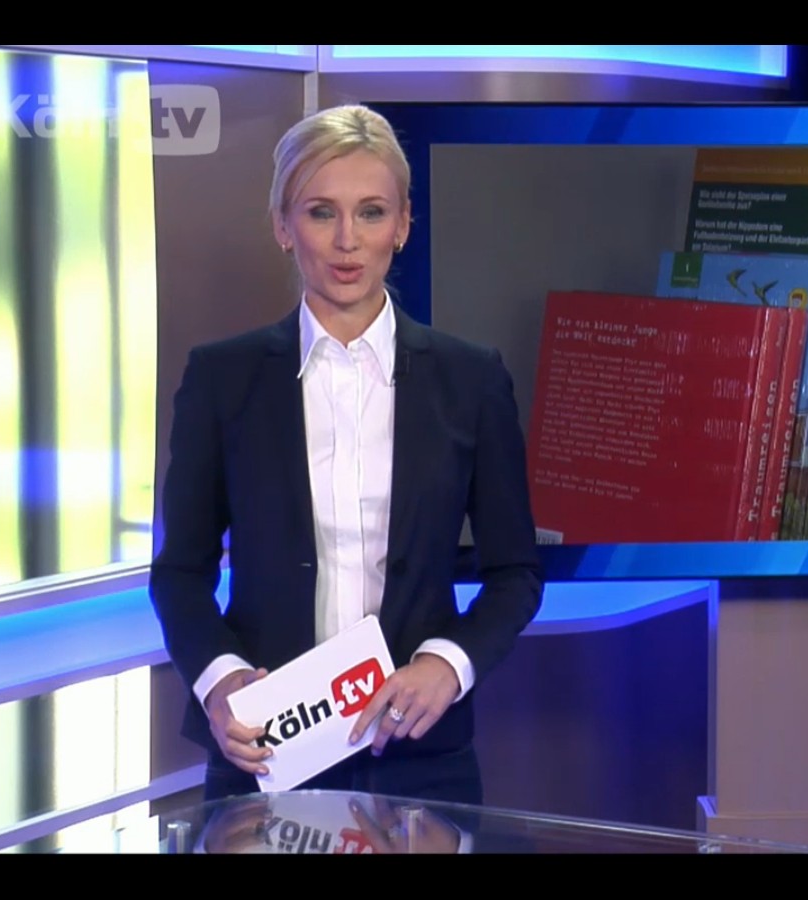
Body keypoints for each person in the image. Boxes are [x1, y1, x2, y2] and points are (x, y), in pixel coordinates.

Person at [148, 104, 543, 806]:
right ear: (283, 226)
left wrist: (447, 665)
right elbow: (180, 573)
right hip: (266, 749)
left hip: (422, 753)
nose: (347, 240)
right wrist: (220, 680)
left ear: (403, 224)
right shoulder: (222, 379)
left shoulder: (471, 379)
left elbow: (515, 573)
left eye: (371, 212)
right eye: (321, 212)